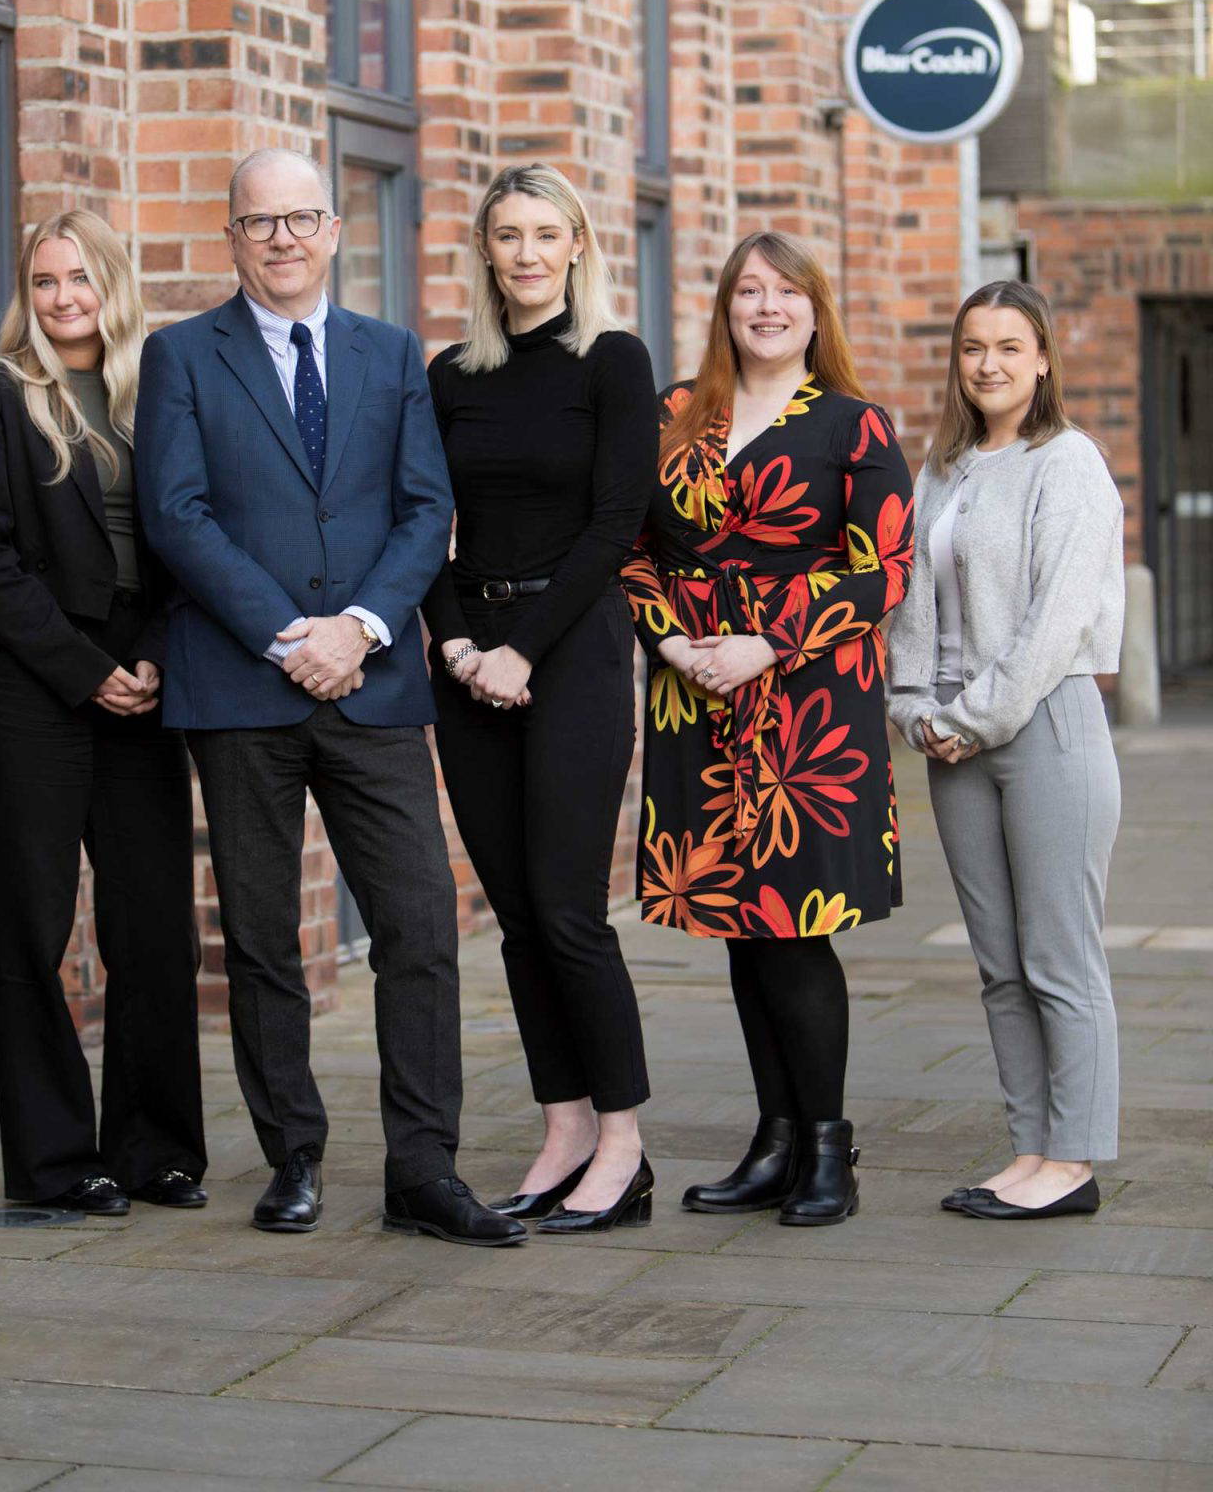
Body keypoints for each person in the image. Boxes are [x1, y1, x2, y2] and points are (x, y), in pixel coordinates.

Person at [136, 147, 524, 1248]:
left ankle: (423, 1169)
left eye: (301, 218)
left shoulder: (390, 354)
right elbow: (176, 515)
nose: (283, 239)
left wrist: (358, 628)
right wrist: (285, 635)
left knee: (421, 925)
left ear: (335, 231)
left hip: (374, 682)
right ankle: (292, 1157)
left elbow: (424, 509)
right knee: (263, 940)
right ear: (231, 236)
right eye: (260, 222)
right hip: (240, 687)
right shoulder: (181, 356)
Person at [621, 232, 913, 1226]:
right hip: (696, 693)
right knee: (740, 927)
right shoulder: (673, 413)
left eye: (787, 291)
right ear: (725, 308)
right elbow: (629, 546)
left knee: (794, 927)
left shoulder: (854, 425)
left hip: (807, 705)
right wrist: (670, 642)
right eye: (749, 290)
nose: (767, 307)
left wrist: (767, 642)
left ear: (815, 310)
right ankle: (775, 1140)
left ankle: (828, 1148)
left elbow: (886, 571)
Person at [0, 211, 205, 1217]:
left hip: (144, 679)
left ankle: (155, 1150)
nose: (63, 299)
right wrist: (86, 670)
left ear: (112, 285)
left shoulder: (157, 391)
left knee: (154, 928)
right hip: (36, 687)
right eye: (46, 281)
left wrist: (151, 658)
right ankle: (57, 1163)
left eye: (81, 278)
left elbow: (186, 542)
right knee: (33, 926)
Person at [424, 164, 656, 1233]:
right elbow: (420, 519)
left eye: (545, 234)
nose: (526, 253)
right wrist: (459, 641)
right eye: (508, 234)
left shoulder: (612, 360)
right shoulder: (451, 375)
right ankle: (562, 1128)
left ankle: (624, 1142)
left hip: (571, 653)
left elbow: (616, 524)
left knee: (568, 911)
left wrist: (520, 649)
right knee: (516, 916)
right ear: (484, 249)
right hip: (471, 660)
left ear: (577, 246)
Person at [887, 282, 1123, 1222]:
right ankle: (1030, 1149)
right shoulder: (942, 469)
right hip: (954, 742)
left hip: (1045, 727)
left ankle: (1074, 1161)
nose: (988, 365)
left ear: (1043, 360)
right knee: (1000, 965)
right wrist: (915, 708)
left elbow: (1056, 619)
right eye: (973, 347)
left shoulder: (1068, 463)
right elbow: (912, 605)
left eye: (1009, 347)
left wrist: (973, 716)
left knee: (1061, 958)